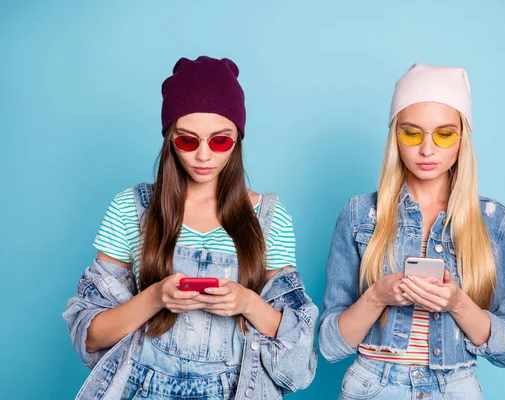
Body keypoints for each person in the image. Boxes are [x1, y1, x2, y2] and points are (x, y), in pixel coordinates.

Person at [64, 56, 318, 400]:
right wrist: (155, 297)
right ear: (170, 138)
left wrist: (246, 302)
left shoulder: (268, 217)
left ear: (237, 140)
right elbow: (90, 335)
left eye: (219, 141)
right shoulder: (131, 209)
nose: (202, 156)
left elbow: (298, 356)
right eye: (187, 140)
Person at [318, 63, 505, 399]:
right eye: (412, 133)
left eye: (444, 134)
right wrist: (378, 296)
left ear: (462, 139)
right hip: (372, 386)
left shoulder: (497, 222)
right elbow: (330, 345)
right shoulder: (360, 214)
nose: (427, 149)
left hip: (456, 388)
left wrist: (458, 304)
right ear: (395, 137)